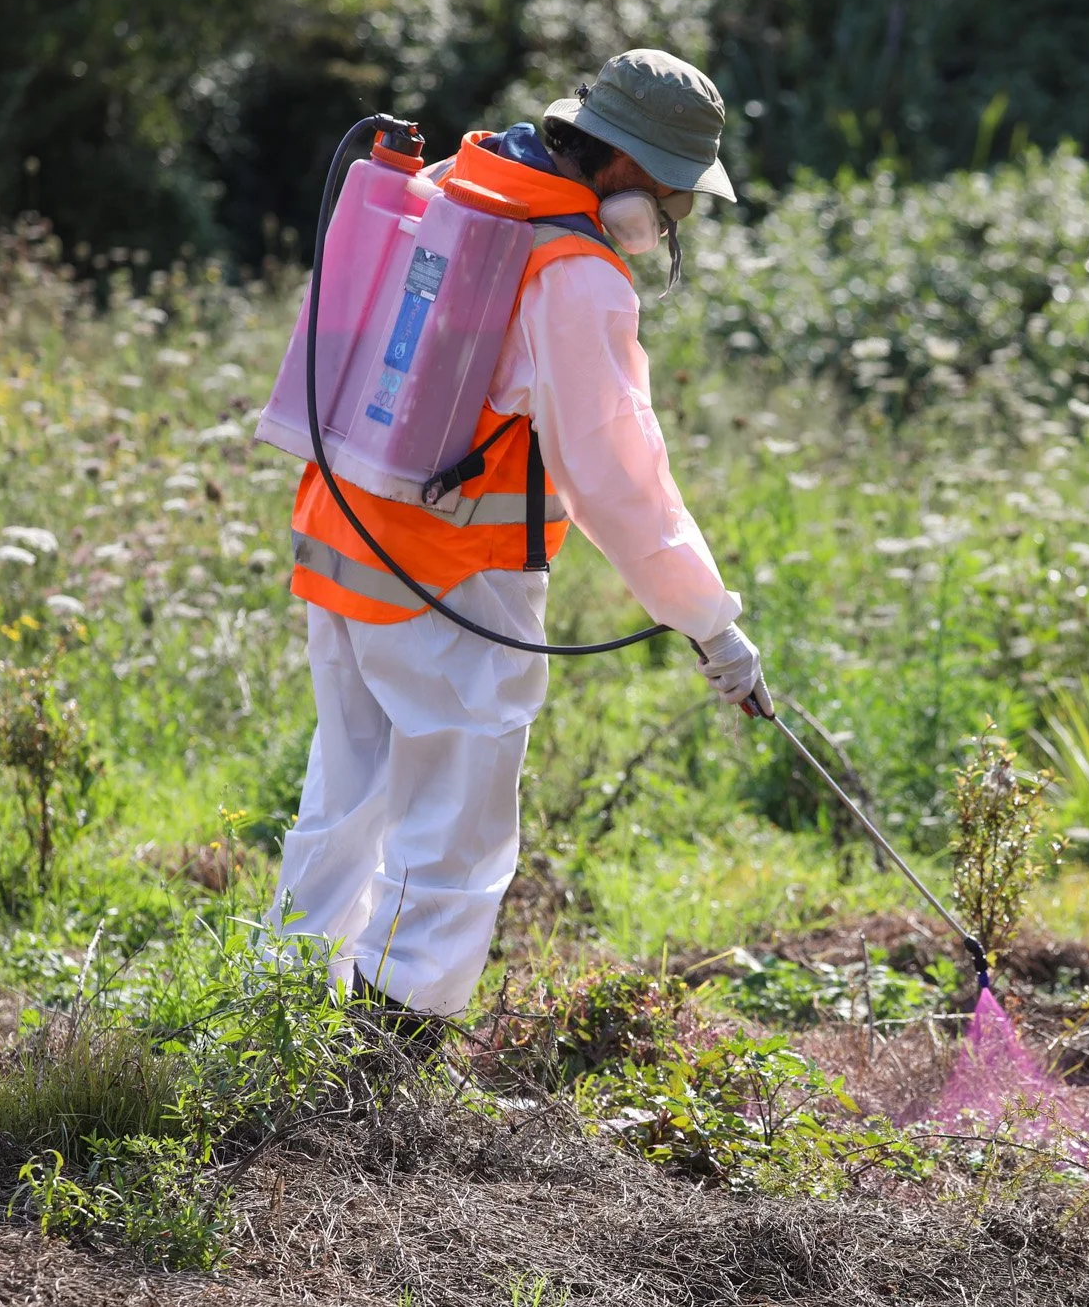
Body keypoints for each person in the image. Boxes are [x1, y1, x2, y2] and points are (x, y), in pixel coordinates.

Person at [266, 50, 771, 1041]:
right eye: (673, 193)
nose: (671, 217)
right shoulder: (574, 274)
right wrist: (712, 623)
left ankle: (278, 1016)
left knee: (346, 793)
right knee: (456, 825)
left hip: (343, 536)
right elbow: (619, 481)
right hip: (453, 578)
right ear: (623, 166)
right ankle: (387, 1058)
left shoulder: (454, 181)